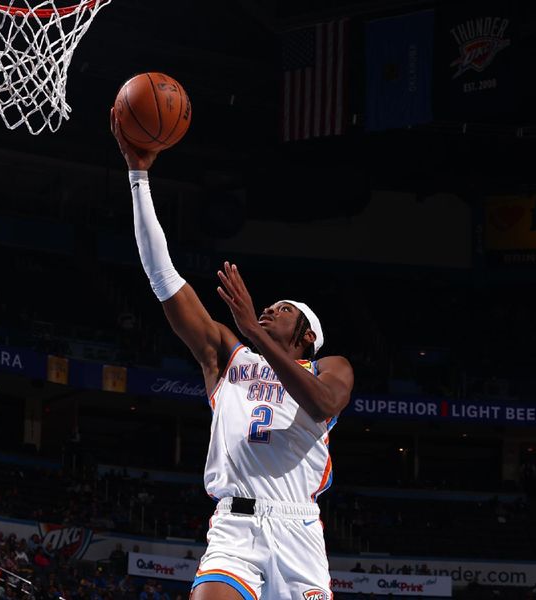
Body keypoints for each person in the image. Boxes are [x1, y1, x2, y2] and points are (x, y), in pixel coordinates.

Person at [111, 110, 354, 600]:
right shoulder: (227, 353)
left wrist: (254, 333)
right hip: (235, 525)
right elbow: (164, 279)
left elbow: (323, 404)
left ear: (307, 336)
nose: (267, 310)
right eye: (265, 308)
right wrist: (139, 178)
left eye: (281, 309)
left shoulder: (331, 366)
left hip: (298, 530)